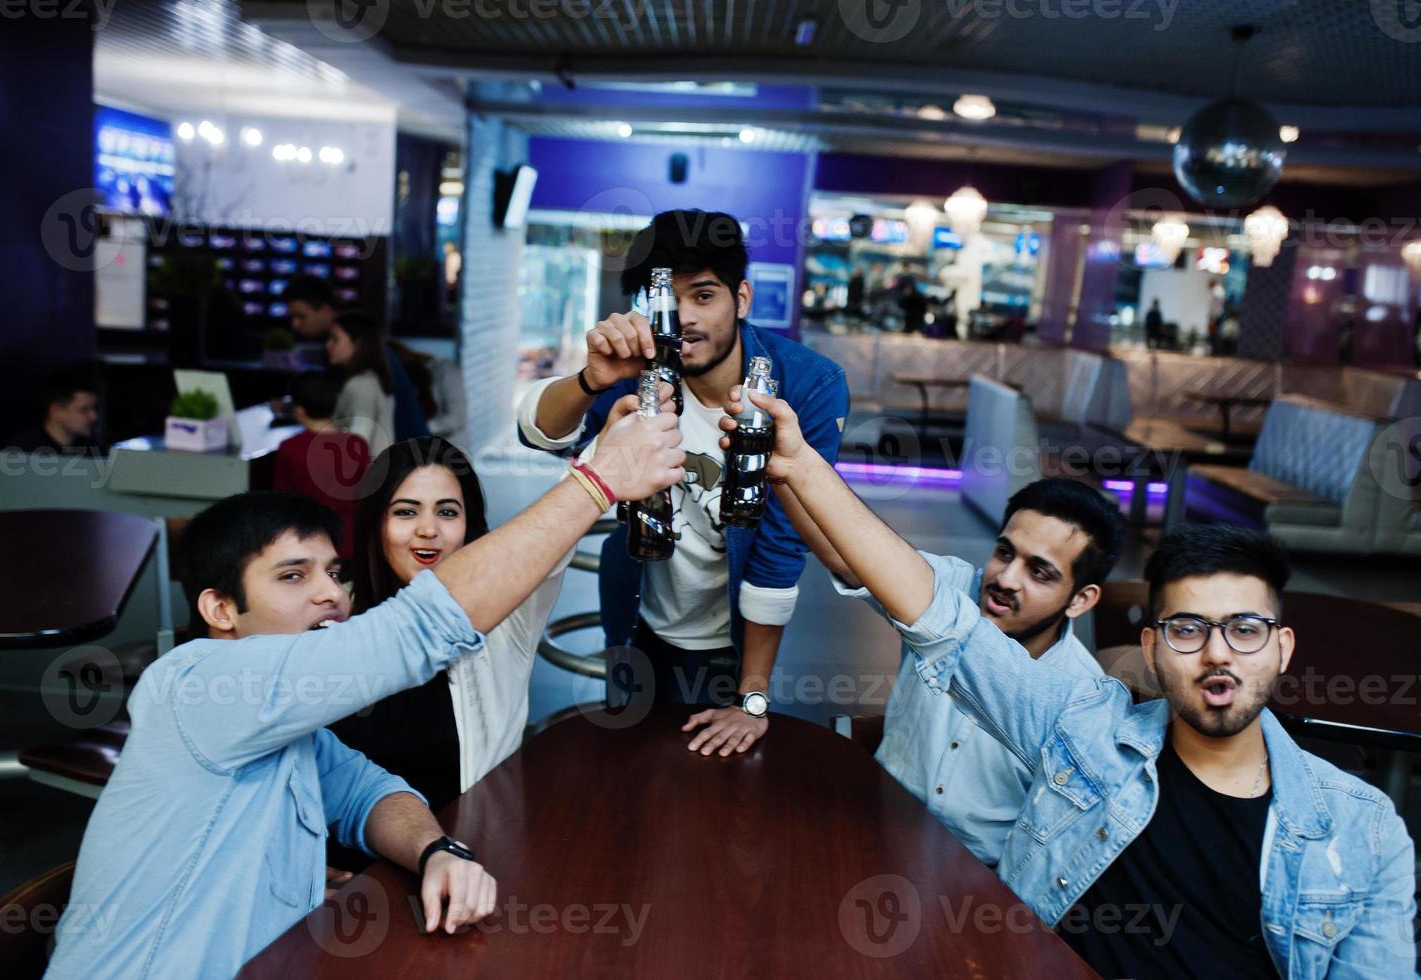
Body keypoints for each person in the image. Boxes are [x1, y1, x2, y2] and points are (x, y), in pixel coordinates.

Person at [719, 387, 1417, 980]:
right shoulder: (1080, 727)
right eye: (1185, 629)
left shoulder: (1364, 830)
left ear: (1281, 648)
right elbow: (936, 617)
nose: (1215, 655)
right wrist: (800, 468)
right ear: (1150, 645)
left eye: (1243, 629)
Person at [46, 392, 685, 979]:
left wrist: (438, 849)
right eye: (294, 577)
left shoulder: (288, 728)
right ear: (220, 610)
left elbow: (369, 794)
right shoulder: (201, 682)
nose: (328, 592)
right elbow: (416, 630)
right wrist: (597, 481)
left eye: (331, 571)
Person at [516, 209, 849, 758]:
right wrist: (589, 379)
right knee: (625, 777)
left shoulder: (806, 385)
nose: (685, 318)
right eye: (667, 298)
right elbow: (540, 434)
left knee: (711, 794)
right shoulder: (643, 369)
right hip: (634, 616)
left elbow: (782, 541)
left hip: (730, 641)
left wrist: (753, 697)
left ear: (741, 299)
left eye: (704, 295)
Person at [787, 478, 1118, 865]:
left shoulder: (1083, 696)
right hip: (869, 832)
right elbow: (845, 556)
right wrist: (790, 470)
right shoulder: (947, 588)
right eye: (1004, 553)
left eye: (1039, 573)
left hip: (978, 880)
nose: (1006, 579)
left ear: (1081, 599)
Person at [328, 436, 568, 835]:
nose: (428, 530)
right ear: (377, 523)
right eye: (406, 512)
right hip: (349, 875)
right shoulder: (332, 614)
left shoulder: (506, 613)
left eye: (447, 512)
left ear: (470, 525)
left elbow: (563, 522)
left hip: (468, 861)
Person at [284, 274, 428, 441]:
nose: (295, 324)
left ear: (325, 309)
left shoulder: (362, 379)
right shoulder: (357, 358)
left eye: (301, 316)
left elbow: (358, 441)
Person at [272, 370, 370, 560]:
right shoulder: (357, 444)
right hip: (352, 542)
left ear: (299, 410)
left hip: (308, 543)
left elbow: (281, 503)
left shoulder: (290, 448)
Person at [327, 310, 397, 457]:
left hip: (366, 475)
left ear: (357, 343)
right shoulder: (372, 379)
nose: (328, 345)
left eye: (335, 339)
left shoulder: (362, 384)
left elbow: (358, 440)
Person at [5, 369, 99, 454]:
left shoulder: (91, 450)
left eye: (93, 408)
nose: (93, 416)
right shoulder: (23, 450)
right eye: (84, 410)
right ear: (56, 410)